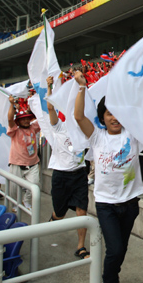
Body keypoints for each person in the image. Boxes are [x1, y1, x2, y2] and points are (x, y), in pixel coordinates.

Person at [74, 71, 143, 283]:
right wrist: (81, 87)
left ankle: (111, 275)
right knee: (114, 249)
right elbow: (78, 116)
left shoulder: (133, 135)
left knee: (121, 248)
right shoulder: (97, 137)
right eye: (109, 113)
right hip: (106, 205)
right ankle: (109, 279)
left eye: (117, 113)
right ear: (102, 117)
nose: (114, 118)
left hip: (130, 203)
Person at [45, 76, 90, 260]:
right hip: (60, 176)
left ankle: (81, 246)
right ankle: (55, 215)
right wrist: (49, 86)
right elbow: (50, 107)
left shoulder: (83, 130)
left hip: (79, 175)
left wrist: (82, 87)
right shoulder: (59, 127)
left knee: (82, 210)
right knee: (60, 213)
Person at [7, 95, 41, 210]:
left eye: (28, 118)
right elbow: (10, 119)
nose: (26, 120)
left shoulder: (33, 127)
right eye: (23, 119)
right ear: (19, 120)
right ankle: (15, 204)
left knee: (34, 184)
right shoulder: (15, 130)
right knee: (14, 188)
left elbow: (43, 118)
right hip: (17, 163)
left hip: (33, 163)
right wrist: (11, 104)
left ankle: (26, 201)